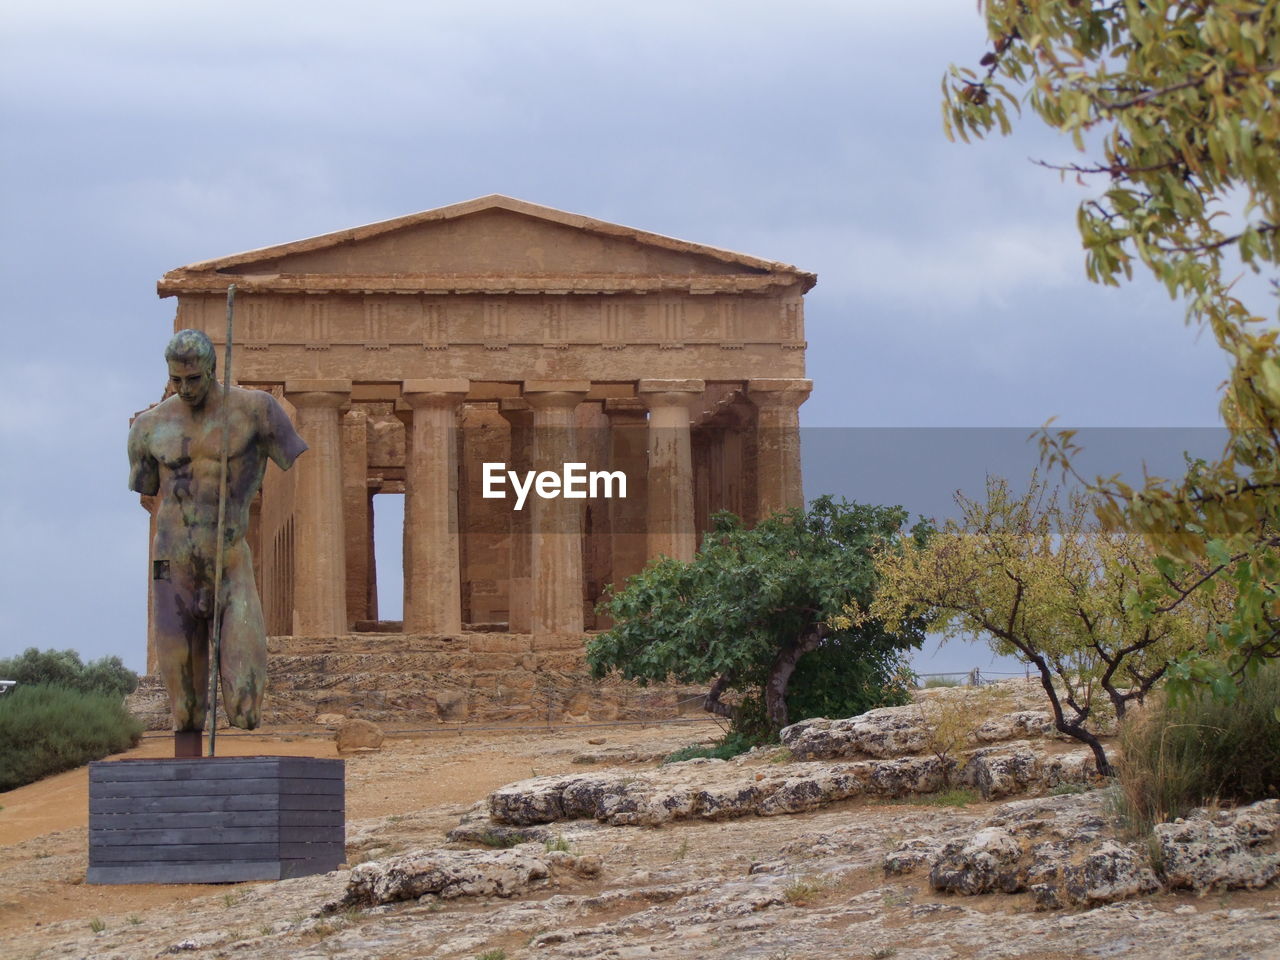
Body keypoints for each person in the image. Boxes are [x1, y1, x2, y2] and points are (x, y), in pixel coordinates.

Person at [128, 329, 306, 746]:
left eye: (195, 378)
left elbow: (291, 456)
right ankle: (187, 786)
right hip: (171, 564)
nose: (187, 389)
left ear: (213, 370)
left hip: (228, 559)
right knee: (185, 712)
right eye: (178, 380)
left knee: (245, 704)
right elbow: (148, 491)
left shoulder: (257, 411)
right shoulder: (148, 427)